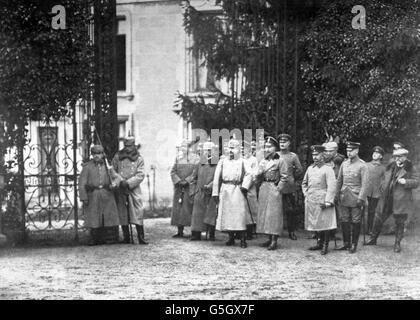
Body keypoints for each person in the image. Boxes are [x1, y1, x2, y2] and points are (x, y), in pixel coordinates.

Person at [365, 148, 419, 252]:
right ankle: (373, 239)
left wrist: (406, 181)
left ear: (405, 157)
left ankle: (397, 244)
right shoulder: (391, 165)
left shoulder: (410, 167)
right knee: (378, 218)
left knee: (400, 222)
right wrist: (382, 185)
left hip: (401, 200)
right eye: (395, 157)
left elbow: (416, 182)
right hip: (387, 198)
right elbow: (384, 176)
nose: (397, 159)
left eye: (399, 157)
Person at [212, 137, 251, 248]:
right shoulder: (222, 161)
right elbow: (216, 177)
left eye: (233, 148)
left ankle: (243, 239)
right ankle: (231, 237)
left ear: (239, 149)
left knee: (239, 214)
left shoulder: (243, 161)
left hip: (237, 189)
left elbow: (249, 174)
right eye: (229, 148)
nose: (231, 150)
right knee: (228, 214)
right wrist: (215, 192)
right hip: (225, 189)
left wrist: (245, 186)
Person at [79, 145, 120, 245]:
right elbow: (81, 183)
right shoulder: (87, 167)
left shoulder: (107, 166)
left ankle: (109, 238)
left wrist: (115, 183)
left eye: (99, 153)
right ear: (92, 155)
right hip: (94, 194)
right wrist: (84, 197)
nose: (97, 156)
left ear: (102, 155)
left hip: (107, 194)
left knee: (108, 216)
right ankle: (94, 239)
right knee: (94, 217)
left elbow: (117, 177)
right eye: (95, 154)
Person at [112, 137, 148, 245]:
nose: (128, 149)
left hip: (134, 189)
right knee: (123, 212)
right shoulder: (117, 157)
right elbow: (112, 170)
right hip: (121, 187)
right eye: (126, 146)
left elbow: (141, 174)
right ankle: (126, 237)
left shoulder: (139, 158)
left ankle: (141, 237)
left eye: (130, 146)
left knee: (138, 211)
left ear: (134, 146)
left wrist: (129, 183)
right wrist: (120, 181)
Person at [302, 145, 337, 255]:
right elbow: (304, 183)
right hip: (312, 199)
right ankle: (319, 242)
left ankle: (325, 244)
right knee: (315, 221)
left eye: (317, 155)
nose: (315, 157)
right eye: (313, 155)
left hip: (323, 198)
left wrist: (328, 201)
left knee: (325, 222)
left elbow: (332, 186)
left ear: (322, 155)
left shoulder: (328, 169)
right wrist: (306, 194)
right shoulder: (310, 168)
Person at [336, 141, 369, 253]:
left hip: (356, 196)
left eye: (351, 150)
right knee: (344, 219)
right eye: (347, 150)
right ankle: (346, 243)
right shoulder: (344, 164)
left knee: (356, 220)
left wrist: (361, 198)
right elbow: (339, 180)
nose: (349, 152)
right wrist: (336, 195)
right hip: (344, 196)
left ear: (357, 151)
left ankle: (354, 244)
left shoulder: (362, 165)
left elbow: (365, 184)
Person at [256, 136, 288, 250]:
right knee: (265, 214)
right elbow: (258, 174)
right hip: (264, 187)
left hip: (274, 187)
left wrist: (278, 188)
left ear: (275, 148)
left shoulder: (280, 160)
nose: (267, 149)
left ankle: (274, 240)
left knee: (274, 214)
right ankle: (269, 238)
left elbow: (284, 176)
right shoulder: (263, 160)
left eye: (270, 147)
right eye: (266, 147)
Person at [190, 140, 218, 241]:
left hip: (211, 192)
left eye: (210, 150)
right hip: (200, 192)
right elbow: (193, 178)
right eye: (206, 150)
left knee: (211, 213)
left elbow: (218, 178)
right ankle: (196, 233)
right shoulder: (199, 163)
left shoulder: (216, 164)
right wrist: (193, 192)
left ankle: (211, 234)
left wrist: (211, 185)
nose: (207, 152)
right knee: (197, 214)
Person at [277, 133, 303, 240]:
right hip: (277, 185)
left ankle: (291, 231)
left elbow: (299, 170)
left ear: (289, 143)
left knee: (290, 210)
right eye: (281, 142)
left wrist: (292, 178)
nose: (282, 144)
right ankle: (275, 231)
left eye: (285, 142)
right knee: (276, 209)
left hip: (289, 186)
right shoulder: (275, 155)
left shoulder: (293, 156)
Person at [170, 140, 198, 238]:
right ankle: (180, 231)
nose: (183, 149)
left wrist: (187, 180)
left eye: (185, 147)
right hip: (179, 188)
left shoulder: (195, 158)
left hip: (189, 187)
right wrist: (178, 181)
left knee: (189, 208)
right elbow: (173, 171)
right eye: (181, 147)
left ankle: (194, 232)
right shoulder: (178, 158)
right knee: (178, 209)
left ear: (189, 148)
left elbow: (195, 172)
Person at [365, 146, 386, 234]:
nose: (375, 154)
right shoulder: (366, 165)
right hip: (366, 191)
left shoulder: (383, 168)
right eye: (374, 152)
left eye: (377, 153)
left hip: (376, 193)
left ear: (381, 156)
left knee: (372, 211)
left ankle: (370, 229)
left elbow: (384, 181)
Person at [243, 140, 259, 240]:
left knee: (251, 209)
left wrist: (247, 185)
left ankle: (251, 231)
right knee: (243, 210)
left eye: (245, 149)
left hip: (250, 188)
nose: (244, 151)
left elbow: (255, 174)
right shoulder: (241, 160)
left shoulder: (254, 160)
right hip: (241, 188)